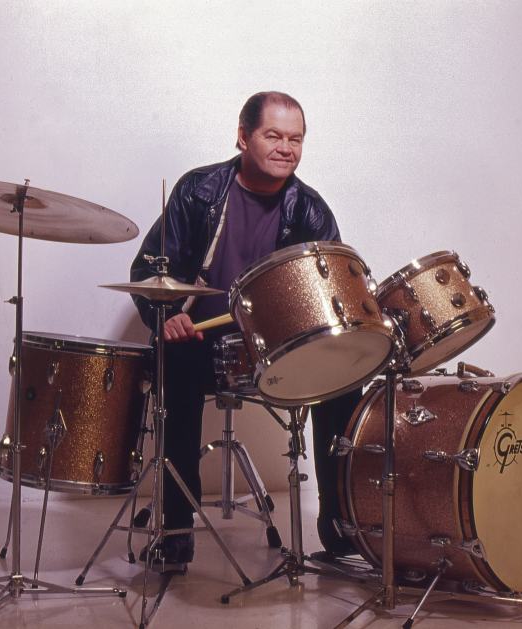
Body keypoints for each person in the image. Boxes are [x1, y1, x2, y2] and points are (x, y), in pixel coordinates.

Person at [130, 91, 360, 564]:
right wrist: (165, 317)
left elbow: (326, 289)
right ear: (242, 137)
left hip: (274, 344)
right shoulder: (198, 191)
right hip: (197, 336)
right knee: (176, 363)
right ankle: (176, 526)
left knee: (345, 380)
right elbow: (149, 269)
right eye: (272, 135)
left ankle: (339, 530)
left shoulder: (310, 210)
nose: (285, 148)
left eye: (295, 139)